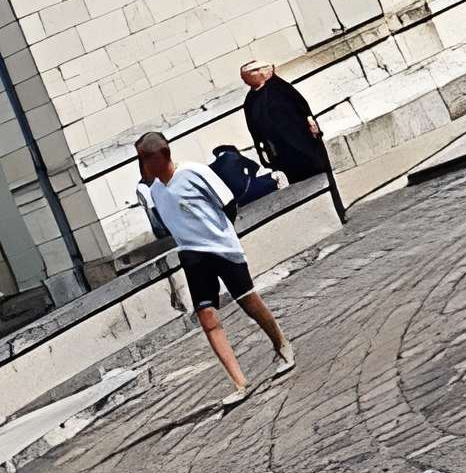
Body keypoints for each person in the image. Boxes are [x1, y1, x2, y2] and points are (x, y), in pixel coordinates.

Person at [135, 130, 292, 408]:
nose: (142, 167)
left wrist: (220, 233)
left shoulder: (194, 172)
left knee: (249, 302)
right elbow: (166, 226)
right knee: (207, 317)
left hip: (222, 248)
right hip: (192, 256)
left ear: (160, 157)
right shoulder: (155, 192)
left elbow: (227, 202)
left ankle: (281, 344)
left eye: (144, 160)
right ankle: (239, 383)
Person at [241, 62, 342, 219]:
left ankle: (337, 210)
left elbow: (302, 106)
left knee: (319, 173)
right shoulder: (250, 101)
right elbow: (254, 129)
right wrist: (262, 151)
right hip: (281, 151)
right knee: (299, 182)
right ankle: (318, 215)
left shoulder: (279, 87)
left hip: (303, 142)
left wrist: (311, 124)